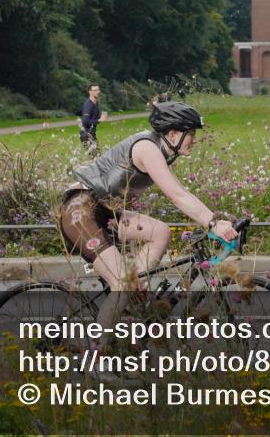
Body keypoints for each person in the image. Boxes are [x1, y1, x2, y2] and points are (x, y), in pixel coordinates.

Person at [58, 99, 238, 347]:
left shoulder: (161, 151)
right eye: (191, 134)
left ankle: (134, 289)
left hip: (104, 212)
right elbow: (177, 196)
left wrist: (214, 220)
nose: (193, 140)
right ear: (173, 134)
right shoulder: (147, 148)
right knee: (121, 281)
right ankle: (95, 361)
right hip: (80, 210)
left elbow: (182, 192)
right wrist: (214, 223)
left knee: (160, 232)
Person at [78, 84, 108, 155]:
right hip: (86, 135)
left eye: (98, 90)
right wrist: (99, 120)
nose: (97, 92)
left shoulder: (95, 103)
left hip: (91, 134)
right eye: (95, 90)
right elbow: (85, 122)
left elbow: (93, 120)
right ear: (90, 92)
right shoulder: (88, 105)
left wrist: (101, 117)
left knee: (97, 158)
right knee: (97, 158)